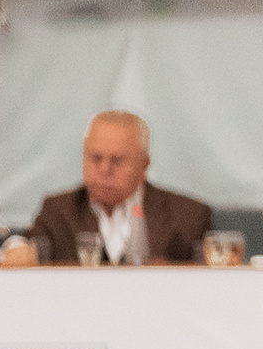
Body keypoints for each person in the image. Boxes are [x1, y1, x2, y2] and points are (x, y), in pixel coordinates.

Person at [21, 111, 213, 266]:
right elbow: (23, 250)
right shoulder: (58, 211)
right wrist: (16, 249)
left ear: (144, 164)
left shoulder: (187, 216)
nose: (105, 170)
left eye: (117, 160)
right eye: (96, 158)